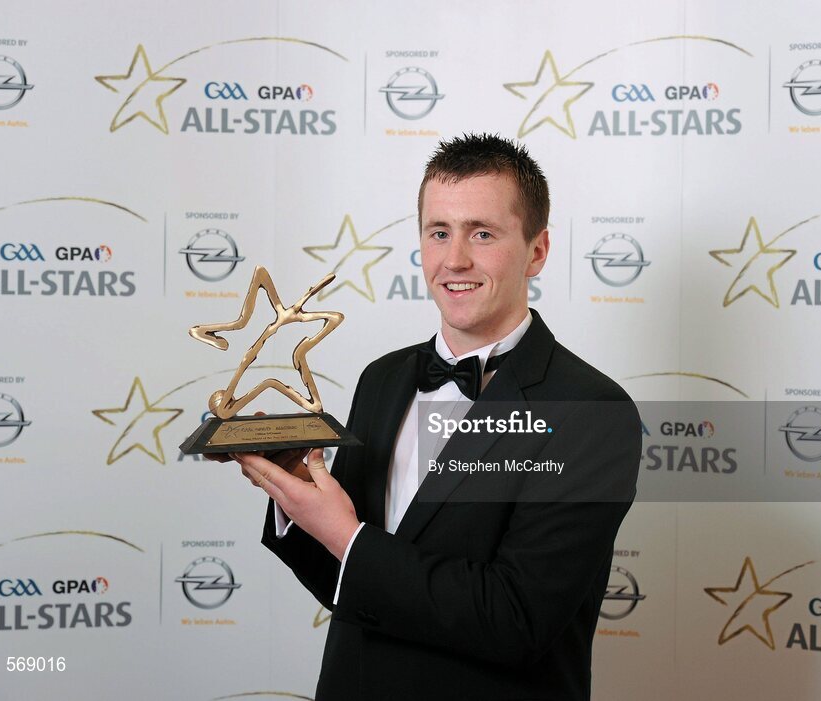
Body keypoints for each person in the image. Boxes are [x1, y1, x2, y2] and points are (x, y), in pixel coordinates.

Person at [228, 133, 641, 700]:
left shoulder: (592, 412)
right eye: (439, 232)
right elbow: (346, 582)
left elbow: (516, 620)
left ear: (537, 250)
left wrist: (345, 534)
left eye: (483, 234)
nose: (455, 260)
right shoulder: (383, 379)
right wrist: (297, 501)